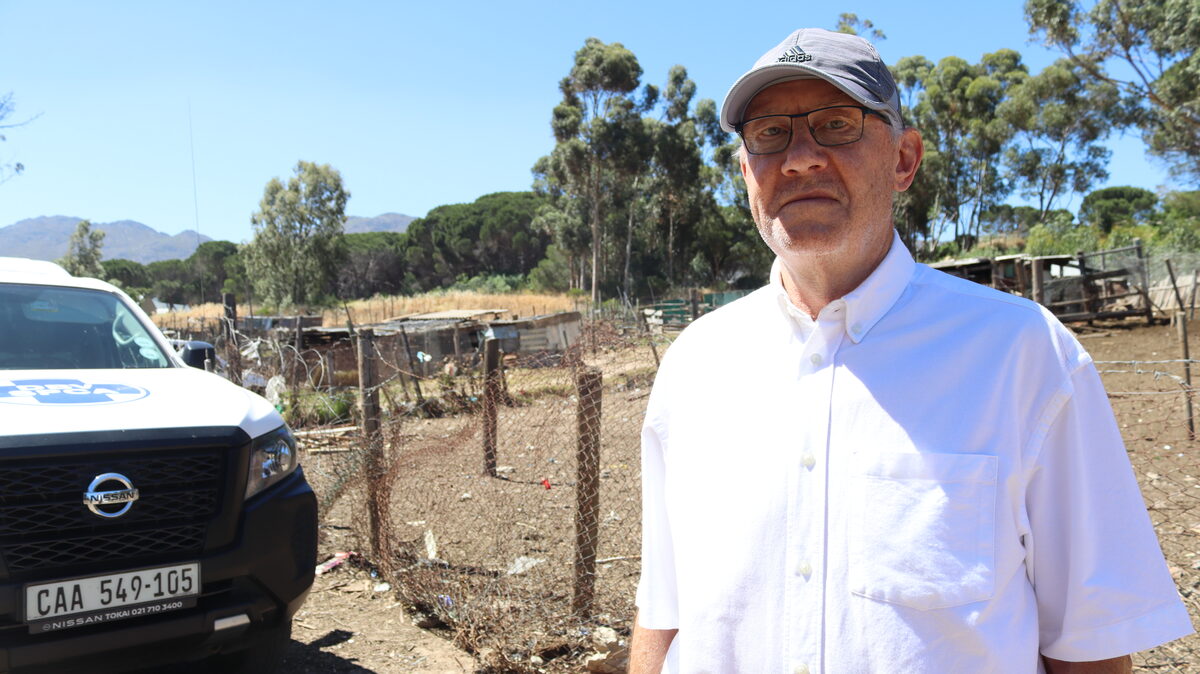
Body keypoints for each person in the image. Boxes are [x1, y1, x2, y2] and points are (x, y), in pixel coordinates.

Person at [630, 28, 1193, 674]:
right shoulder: (695, 366)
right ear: (745, 172)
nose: (799, 158)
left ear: (904, 159)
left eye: (836, 124)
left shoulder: (1024, 355)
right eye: (769, 134)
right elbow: (664, 614)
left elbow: (1089, 650)